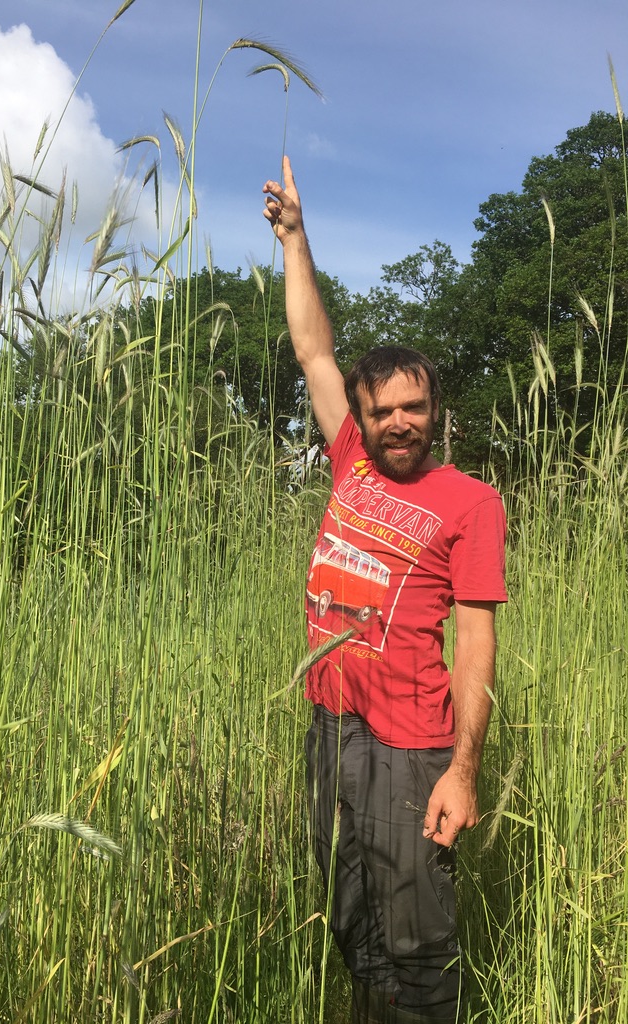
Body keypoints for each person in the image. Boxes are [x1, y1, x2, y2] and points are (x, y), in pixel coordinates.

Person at [262, 157, 507, 1024]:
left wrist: (463, 773)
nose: (399, 423)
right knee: (350, 918)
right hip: (332, 725)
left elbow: (474, 642)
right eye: (383, 412)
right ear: (360, 421)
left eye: (414, 407)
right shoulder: (351, 465)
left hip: (411, 746)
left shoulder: (471, 503)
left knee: (417, 939)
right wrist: (295, 239)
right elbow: (313, 349)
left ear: (434, 409)